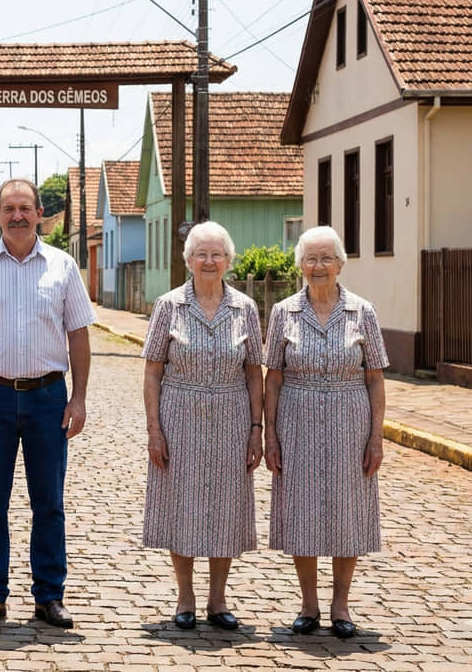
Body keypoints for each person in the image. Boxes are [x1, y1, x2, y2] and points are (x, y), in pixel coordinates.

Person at [0, 178, 94, 629]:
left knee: (48, 502)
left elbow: (79, 335)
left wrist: (79, 398)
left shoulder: (63, 267)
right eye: (8, 208)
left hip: (48, 397)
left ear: (39, 214)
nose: (17, 215)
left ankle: (49, 595)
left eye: (25, 208)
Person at [264, 225, 388, 639]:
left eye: (326, 258)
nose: (318, 266)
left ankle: (341, 605)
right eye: (311, 259)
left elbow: (375, 378)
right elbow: (273, 378)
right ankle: (308, 605)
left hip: (350, 423)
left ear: (340, 264)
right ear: (300, 265)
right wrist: (270, 434)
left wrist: (376, 437)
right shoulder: (283, 312)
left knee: (346, 512)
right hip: (296, 421)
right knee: (301, 510)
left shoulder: (362, 312)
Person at [141, 221, 263, 631]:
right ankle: (185, 596)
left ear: (229, 260)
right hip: (180, 415)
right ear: (188, 260)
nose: (209, 261)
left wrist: (255, 427)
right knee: (182, 504)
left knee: (226, 506)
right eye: (201, 254)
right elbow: (153, 370)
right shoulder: (169, 305)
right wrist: (154, 429)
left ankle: (218, 598)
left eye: (217, 254)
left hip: (231, 414)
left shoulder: (245, 307)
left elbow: (253, 373)